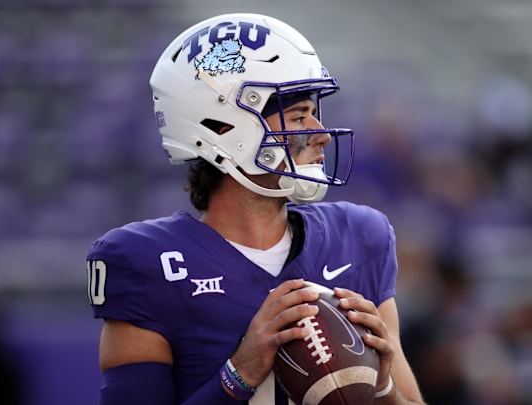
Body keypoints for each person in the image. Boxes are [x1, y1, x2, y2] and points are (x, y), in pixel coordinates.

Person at [86, 13, 424, 405]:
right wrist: (240, 373)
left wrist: (383, 390)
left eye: (315, 113)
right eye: (299, 116)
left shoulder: (361, 236)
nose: (320, 134)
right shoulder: (147, 262)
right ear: (225, 128)